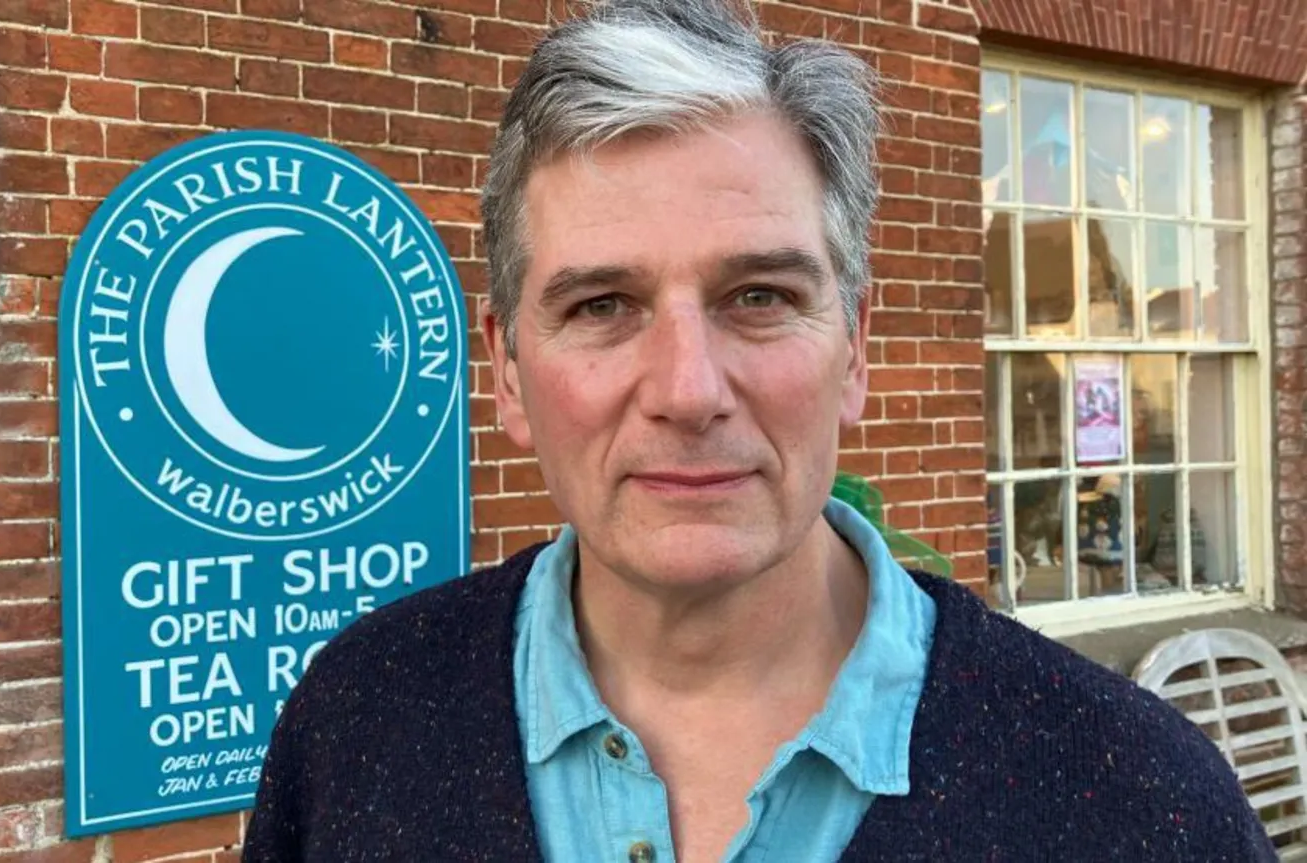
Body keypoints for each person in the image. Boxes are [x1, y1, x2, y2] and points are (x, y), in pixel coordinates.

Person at [241, 0, 1272, 859]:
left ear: (856, 349)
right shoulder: (352, 728)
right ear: (507, 369)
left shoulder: (1138, 796)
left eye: (761, 295)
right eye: (601, 305)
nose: (689, 390)